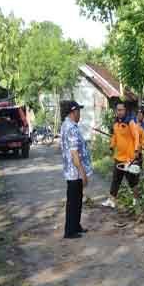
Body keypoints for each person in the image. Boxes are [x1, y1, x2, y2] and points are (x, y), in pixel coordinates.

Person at [60, 101, 93, 239]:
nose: (80, 114)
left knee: (77, 200)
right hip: (75, 173)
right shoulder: (71, 128)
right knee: (73, 201)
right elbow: (74, 154)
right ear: (74, 112)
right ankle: (70, 231)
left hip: (72, 172)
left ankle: (76, 226)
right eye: (79, 111)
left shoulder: (66, 125)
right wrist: (83, 173)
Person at [102, 102, 141, 209]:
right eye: (117, 110)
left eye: (121, 110)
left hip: (129, 158)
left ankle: (137, 199)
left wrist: (136, 149)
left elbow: (136, 136)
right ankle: (111, 200)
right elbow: (115, 136)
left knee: (132, 181)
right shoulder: (115, 123)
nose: (118, 112)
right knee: (116, 179)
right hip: (119, 157)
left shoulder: (130, 122)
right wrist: (111, 146)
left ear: (125, 110)